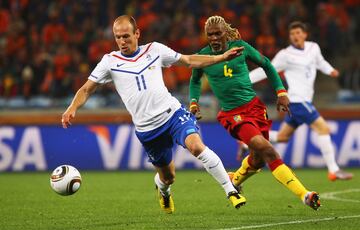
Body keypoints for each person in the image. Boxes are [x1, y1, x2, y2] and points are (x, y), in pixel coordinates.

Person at [61, 15, 246, 214]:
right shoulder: (109, 62)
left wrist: (221, 57)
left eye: (126, 36)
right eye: (118, 37)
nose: (122, 41)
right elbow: (87, 89)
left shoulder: (155, 50)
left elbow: (189, 60)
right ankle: (163, 191)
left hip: (172, 114)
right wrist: (72, 108)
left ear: (137, 33)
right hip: (147, 129)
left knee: (196, 146)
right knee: (168, 177)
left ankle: (230, 190)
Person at [189, 15, 320, 210]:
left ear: (226, 32)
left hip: (255, 108)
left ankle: (235, 180)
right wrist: (194, 101)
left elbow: (267, 64)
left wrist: (281, 91)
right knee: (267, 150)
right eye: (210, 35)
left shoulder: (240, 47)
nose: (214, 38)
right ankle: (305, 194)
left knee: (257, 160)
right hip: (233, 115)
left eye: (218, 33)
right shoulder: (204, 55)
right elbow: (195, 79)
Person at [249, 21, 353, 181]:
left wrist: (330, 70)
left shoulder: (313, 48)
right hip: (298, 101)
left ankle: (249, 139)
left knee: (283, 137)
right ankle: (334, 170)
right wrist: (246, 79)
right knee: (323, 129)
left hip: (299, 103)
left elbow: (320, 62)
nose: (295, 36)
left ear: (305, 34)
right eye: (292, 34)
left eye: (298, 33)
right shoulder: (285, 55)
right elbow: (268, 69)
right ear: (290, 37)